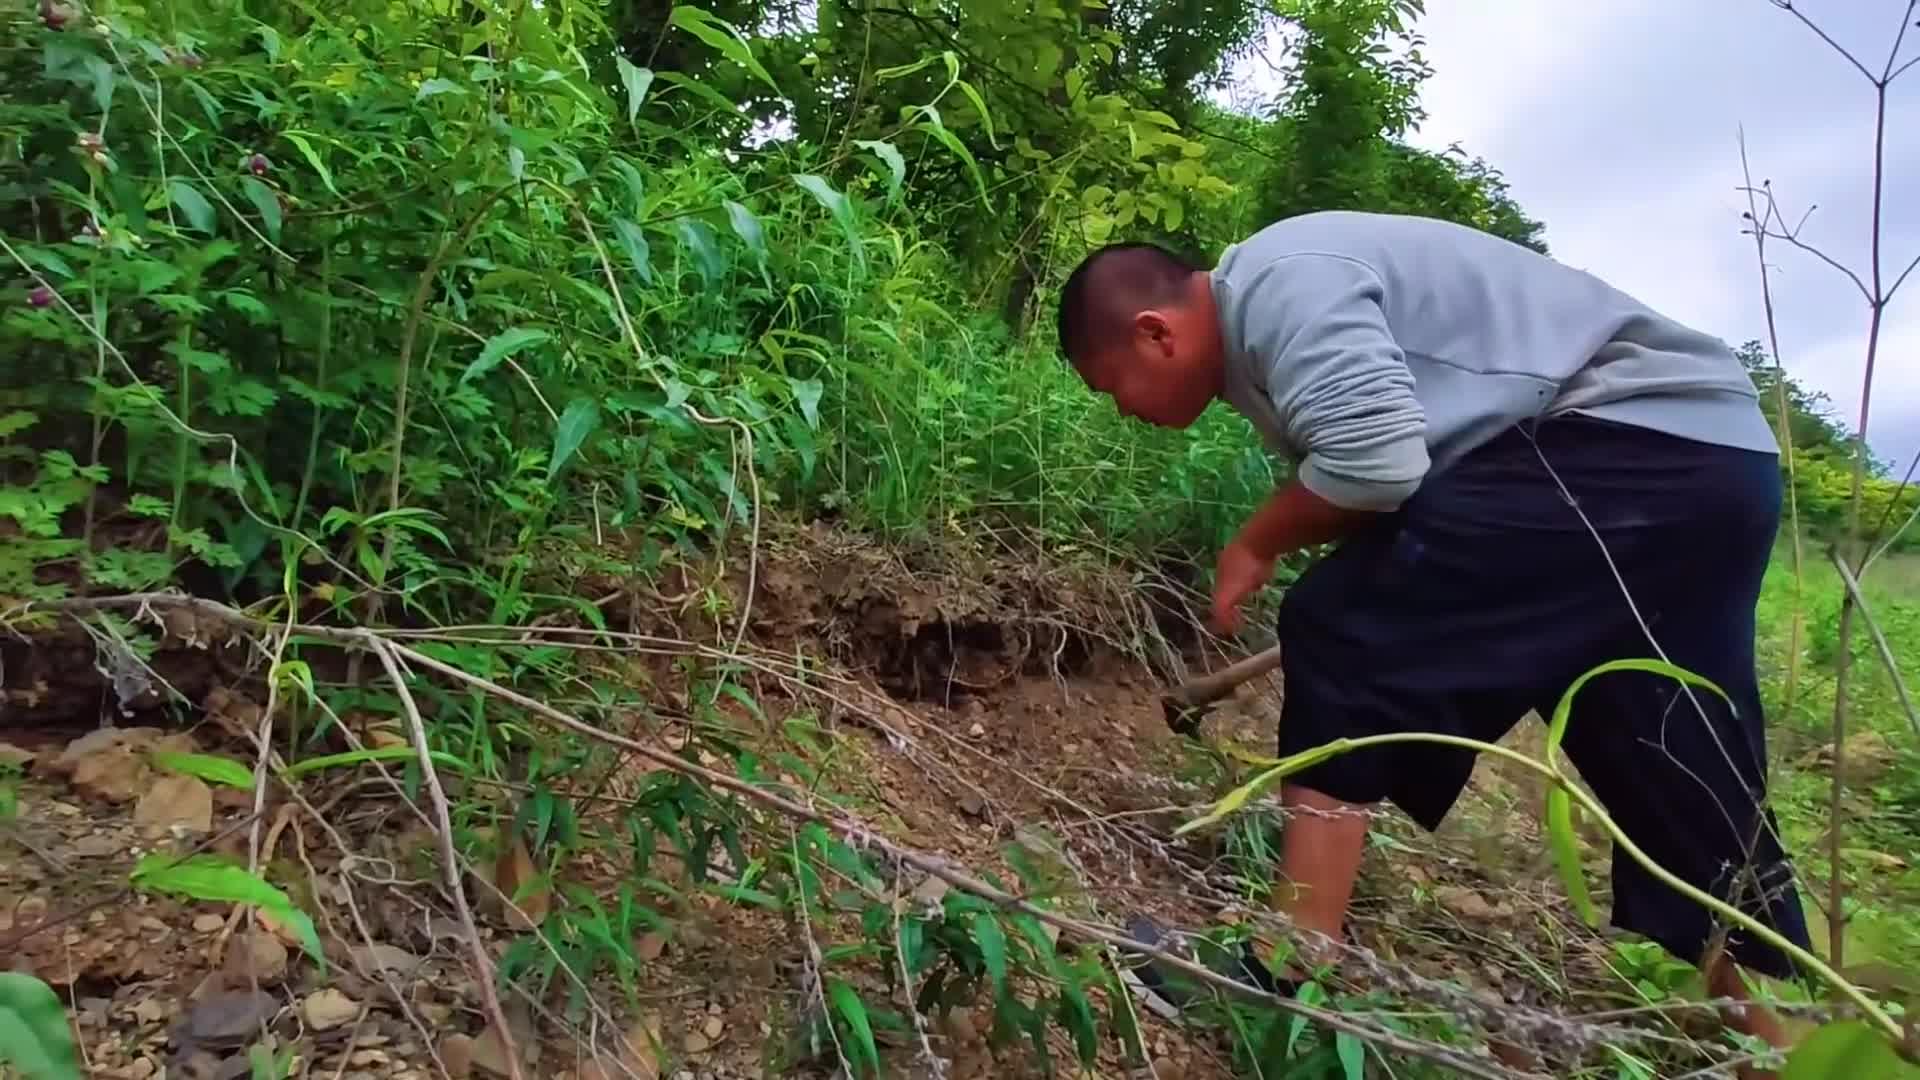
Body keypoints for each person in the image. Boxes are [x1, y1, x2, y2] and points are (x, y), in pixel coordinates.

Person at [1056, 210, 1811, 1068]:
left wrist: (1257, 540)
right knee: (1672, 750)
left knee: (1339, 628)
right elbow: (1397, 486)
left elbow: (1376, 466)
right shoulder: (1272, 325)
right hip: (1710, 464)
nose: (1121, 410)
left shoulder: (1277, 282)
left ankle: (1286, 966)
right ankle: (1791, 1045)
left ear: (1154, 334)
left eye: (1107, 385)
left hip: (1626, 438)